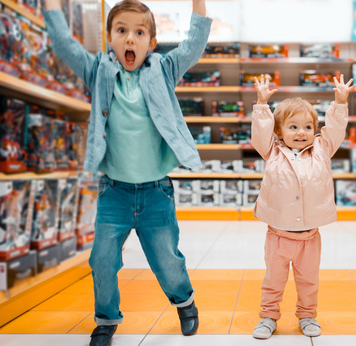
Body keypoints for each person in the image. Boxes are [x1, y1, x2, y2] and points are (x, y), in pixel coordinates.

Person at [43, 1, 212, 345]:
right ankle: (106, 319)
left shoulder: (164, 69)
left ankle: (185, 300)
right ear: (109, 38)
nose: (130, 39)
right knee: (102, 260)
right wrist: (49, 6)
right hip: (113, 193)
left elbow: (193, 45)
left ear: (151, 42)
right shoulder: (98, 71)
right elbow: (65, 45)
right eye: (122, 31)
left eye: (139, 32)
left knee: (167, 258)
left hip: (156, 191)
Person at [250, 74, 355, 339]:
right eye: (293, 127)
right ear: (279, 131)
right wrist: (262, 105)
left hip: (310, 236)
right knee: (273, 281)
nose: (301, 133)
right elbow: (260, 133)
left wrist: (340, 103)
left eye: (308, 127)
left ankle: (307, 315)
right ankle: (268, 316)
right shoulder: (271, 150)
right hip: (277, 235)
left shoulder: (322, 148)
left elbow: (334, 129)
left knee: (308, 281)